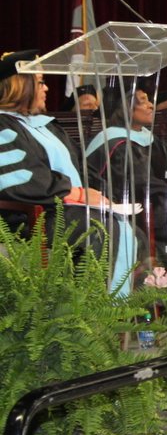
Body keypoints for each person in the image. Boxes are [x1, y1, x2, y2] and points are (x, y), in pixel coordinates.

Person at [0, 52, 138, 294]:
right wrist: (76, 193)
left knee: (127, 228)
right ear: (20, 87)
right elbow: (18, 180)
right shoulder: (2, 126)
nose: (46, 89)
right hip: (29, 220)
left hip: (66, 212)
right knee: (98, 229)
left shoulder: (49, 126)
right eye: (40, 82)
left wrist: (103, 196)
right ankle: (91, 321)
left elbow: (87, 170)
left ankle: (128, 321)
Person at [86, 87, 167, 261]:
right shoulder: (115, 143)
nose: (151, 105)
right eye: (143, 101)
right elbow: (142, 185)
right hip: (135, 215)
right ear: (125, 108)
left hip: (165, 207)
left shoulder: (152, 140)